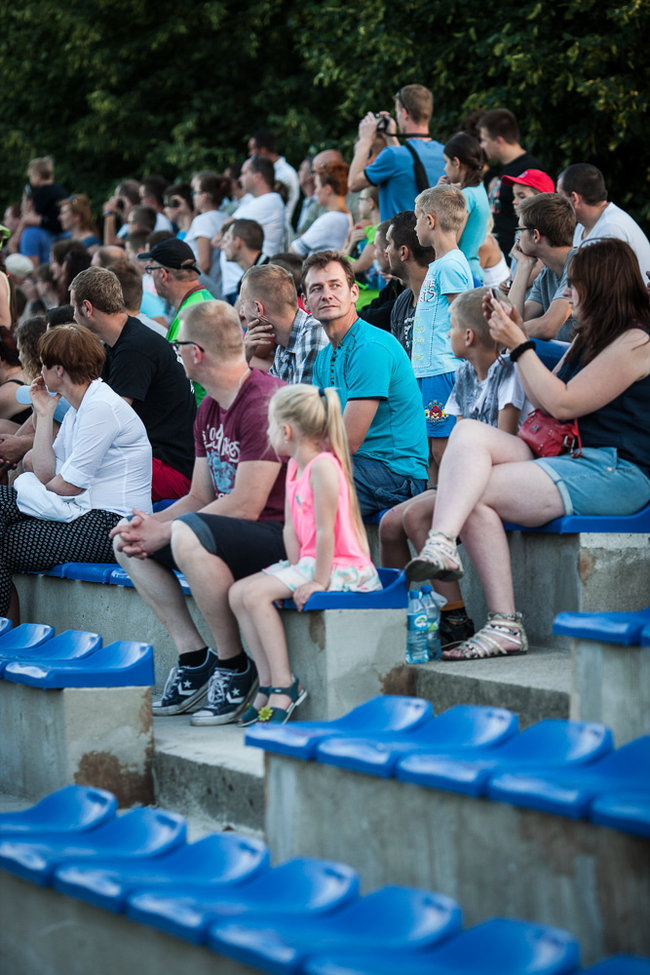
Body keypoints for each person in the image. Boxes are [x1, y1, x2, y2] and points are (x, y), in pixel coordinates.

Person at [405, 238, 650, 660]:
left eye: (574, 285)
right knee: (467, 446)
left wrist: (519, 343)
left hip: (616, 470)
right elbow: (540, 398)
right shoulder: (591, 336)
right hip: (572, 457)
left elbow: (563, 402)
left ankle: (474, 584)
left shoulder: (637, 343)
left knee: (471, 490)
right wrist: (515, 337)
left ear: (601, 285)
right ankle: (490, 606)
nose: (566, 294)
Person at [111, 299, 287, 724]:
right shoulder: (208, 407)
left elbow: (246, 504)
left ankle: (234, 666)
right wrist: (152, 526)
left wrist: (171, 531)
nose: (175, 354)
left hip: (282, 534)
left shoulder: (262, 401)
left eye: (177, 346)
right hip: (229, 529)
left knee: (187, 534)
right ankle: (195, 658)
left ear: (196, 353)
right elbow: (199, 495)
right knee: (125, 537)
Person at [380, 286, 528, 650]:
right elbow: (453, 449)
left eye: (450, 327)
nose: (446, 334)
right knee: (395, 521)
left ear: (469, 335)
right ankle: (417, 615)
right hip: (467, 476)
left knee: (416, 516)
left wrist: (447, 489)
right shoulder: (462, 376)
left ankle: (453, 617)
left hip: (500, 472)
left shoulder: (510, 373)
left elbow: (505, 441)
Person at [229, 384, 381, 725]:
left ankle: (286, 683)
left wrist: (317, 580)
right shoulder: (296, 467)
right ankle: (266, 682)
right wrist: (292, 570)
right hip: (310, 562)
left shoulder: (324, 466)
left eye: (270, 426)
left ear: (286, 430)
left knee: (254, 596)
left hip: (342, 567)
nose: (268, 432)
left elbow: (327, 531)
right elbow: (290, 528)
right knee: (237, 593)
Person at [0, 323, 152, 621]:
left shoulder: (100, 407)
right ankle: (8, 636)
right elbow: (46, 473)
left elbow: (68, 486)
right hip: (87, 516)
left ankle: (6, 635)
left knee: (5, 532)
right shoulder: (78, 407)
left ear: (59, 370)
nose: (38, 372)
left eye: (43, 365)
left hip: (112, 525)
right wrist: (44, 414)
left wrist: (30, 490)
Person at [305, 251, 428, 517]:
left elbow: (347, 441)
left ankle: (326, 560)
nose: (326, 294)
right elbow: (320, 429)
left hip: (396, 473)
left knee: (307, 483)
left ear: (354, 293)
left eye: (335, 285)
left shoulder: (370, 347)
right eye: (316, 288)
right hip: (359, 466)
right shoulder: (323, 358)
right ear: (306, 302)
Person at [69, 267, 196, 501]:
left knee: (73, 483)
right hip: (154, 459)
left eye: (74, 308)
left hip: (170, 470)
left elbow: (108, 421)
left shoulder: (135, 348)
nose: (73, 316)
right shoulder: (121, 341)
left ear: (87, 308)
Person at [411, 185, 473, 475]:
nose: (414, 227)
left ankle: (445, 499)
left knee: (442, 447)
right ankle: (432, 501)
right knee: (429, 449)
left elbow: (464, 316)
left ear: (430, 220)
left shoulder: (450, 265)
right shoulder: (440, 264)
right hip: (428, 370)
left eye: (416, 219)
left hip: (443, 369)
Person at [349, 85, 445, 220]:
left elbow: (353, 184)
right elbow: (407, 160)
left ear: (404, 113)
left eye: (397, 111)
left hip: (398, 239)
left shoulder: (393, 156)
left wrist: (364, 141)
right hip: (430, 237)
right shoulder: (445, 153)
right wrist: (391, 137)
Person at [557, 163, 650, 281]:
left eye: (560, 196)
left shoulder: (611, 229)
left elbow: (609, 289)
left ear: (575, 198)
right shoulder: (582, 225)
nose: (557, 202)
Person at [239, 263, 328, 383]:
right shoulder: (284, 346)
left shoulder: (313, 334)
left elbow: (303, 401)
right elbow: (266, 396)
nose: (241, 312)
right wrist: (244, 358)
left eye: (243, 304)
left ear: (258, 308)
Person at [508, 193, 577, 341]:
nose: (518, 237)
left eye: (520, 229)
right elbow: (516, 319)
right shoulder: (546, 274)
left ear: (536, 236)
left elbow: (548, 327)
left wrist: (506, 331)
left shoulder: (580, 264)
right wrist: (523, 265)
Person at [478, 109, 543, 257]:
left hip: (515, 258)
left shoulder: (529, 169)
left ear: (498, 141)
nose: (482, 145)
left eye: (484, 140)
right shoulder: (506, 169)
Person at [440, 132, 490, 284]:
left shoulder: (466, 196)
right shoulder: (480, 189)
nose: (444, 169)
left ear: (456, 162)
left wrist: (436, 197)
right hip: (472, 270)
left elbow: (450, 241)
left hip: (460, 275)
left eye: (446, 162)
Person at [383, 210, 435, 356]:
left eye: (389, 243)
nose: (385, 251)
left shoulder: (444, 296)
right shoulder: (402, 302)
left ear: (403, 252)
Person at [291, 161, 352, 258]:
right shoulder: (346, 216)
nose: (316, 191)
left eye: (318, 186)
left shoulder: (331, 219)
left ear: (327, 189)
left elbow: (294, 250)